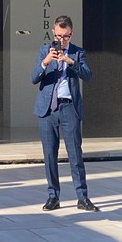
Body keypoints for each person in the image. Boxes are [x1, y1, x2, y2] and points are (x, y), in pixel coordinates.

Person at [31, 15, 98, 212]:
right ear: (53, 32)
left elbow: (88, 76)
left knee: (75, 154)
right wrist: (45, 62)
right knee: (49, 155)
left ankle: (82, 197)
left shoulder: (77, 53)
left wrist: (70, 61)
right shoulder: (45, 50)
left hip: (69, 108)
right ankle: (53, 196)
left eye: (66, 37)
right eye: (59, 36)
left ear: (71, 34)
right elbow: (33, 78)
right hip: (48, 109)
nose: (62, 40)